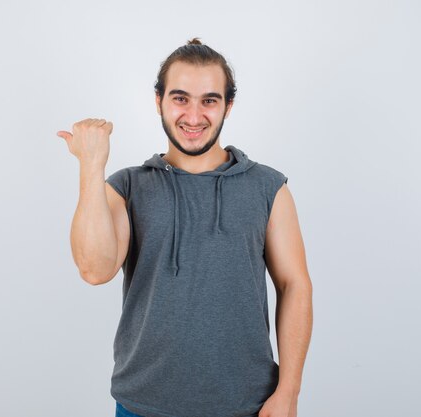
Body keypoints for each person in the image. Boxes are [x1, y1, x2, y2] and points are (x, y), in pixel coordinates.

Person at [57, 38, 313, 417]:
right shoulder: (127, 187)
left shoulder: (267, 187)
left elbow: (295, 285)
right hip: (142, 405)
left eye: (209, 100)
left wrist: (289, 391)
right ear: (159, 100)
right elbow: (95, 269)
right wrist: (91, 167)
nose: (194, 116)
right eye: (180, 98)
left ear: (228, 105)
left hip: (249, 406)